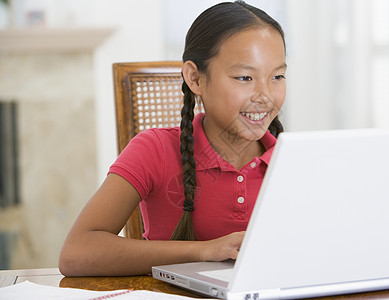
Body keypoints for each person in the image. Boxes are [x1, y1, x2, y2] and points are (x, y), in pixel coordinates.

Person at [59, 0, 287, 276]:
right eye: (244, 77)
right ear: (195, 78)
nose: (265, 96)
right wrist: (202, 251)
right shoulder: (154, 150)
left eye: (277, 76)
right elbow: (77, 253)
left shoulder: (292, 162)